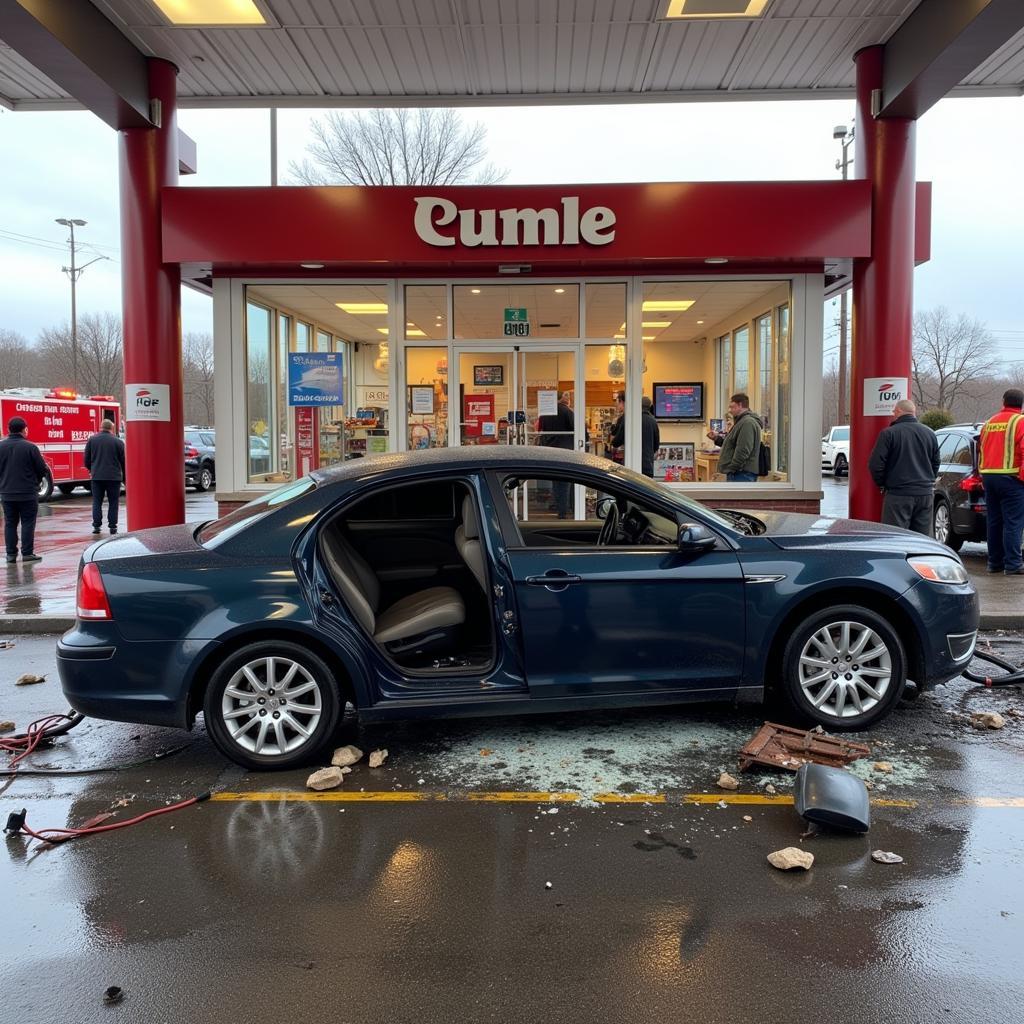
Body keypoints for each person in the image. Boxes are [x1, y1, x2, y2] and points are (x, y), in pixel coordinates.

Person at [867, 398, 940, 535]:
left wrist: (883, 484)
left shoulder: (889, 433)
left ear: (899, 411)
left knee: (895, 537)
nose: (893, 413)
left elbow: (875, 464)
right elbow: (936, 462)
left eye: (894, 411)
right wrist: (927, 480)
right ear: (913, 412)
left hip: (898, 494)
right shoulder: (930, 433)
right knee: (922, 539)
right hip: (925, 494)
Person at [978, 387, 1024, 575]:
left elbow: (980, 449)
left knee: (994, 522)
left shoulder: (989, 422)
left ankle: (994, 563)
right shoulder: (1020, 421)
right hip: (1012, 479)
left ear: (1003, 402)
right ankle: (1013, 564)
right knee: (1013, 523)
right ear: (1021, 405)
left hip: (989, 477)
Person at [0, 416, 48, 563]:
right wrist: (37, 481)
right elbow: (42, 469)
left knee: (10, 523)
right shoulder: (30, 447)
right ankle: (27, 553)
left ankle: (10, 554)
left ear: (8, 430)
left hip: (7, 493)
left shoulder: (1, 447)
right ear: (24, 429)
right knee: (27, 522)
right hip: (27, 492)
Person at [84, 419, 126, 535]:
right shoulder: (118, 442)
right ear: (111, 428)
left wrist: (92, 470)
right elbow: (123, 462)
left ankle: (96, 526)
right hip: (114, 477)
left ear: (100, 427)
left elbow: (86, 460)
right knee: (113, 502)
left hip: (97, 477)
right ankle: (113, 526)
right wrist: (124, 478)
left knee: (97, 501)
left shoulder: (92, 440)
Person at [537, 391, 576, 517]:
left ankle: (558, 506)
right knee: (565, 482)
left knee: (555, 479)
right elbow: (575, 428)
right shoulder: (567, 411)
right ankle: (564, 510)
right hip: (565, 450)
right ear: (561, 398)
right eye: (566, 396)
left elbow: (540, 429)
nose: (568, 398)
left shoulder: (545, 413)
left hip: (550, 450)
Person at [716, 393, 762, 483]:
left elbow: (743, 450)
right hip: (739, 473)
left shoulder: (747, 423)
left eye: (732, 407)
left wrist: (731, 468)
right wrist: (716, 439)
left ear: (740, 405)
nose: (730, 410)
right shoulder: (741, 422)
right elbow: (732, 444)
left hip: (742, 474)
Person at [640, 395, 660, 478]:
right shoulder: (653, 421)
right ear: (650, 406)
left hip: (634, 466)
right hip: (648, 465)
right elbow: (656, 445)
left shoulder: (635, 419)